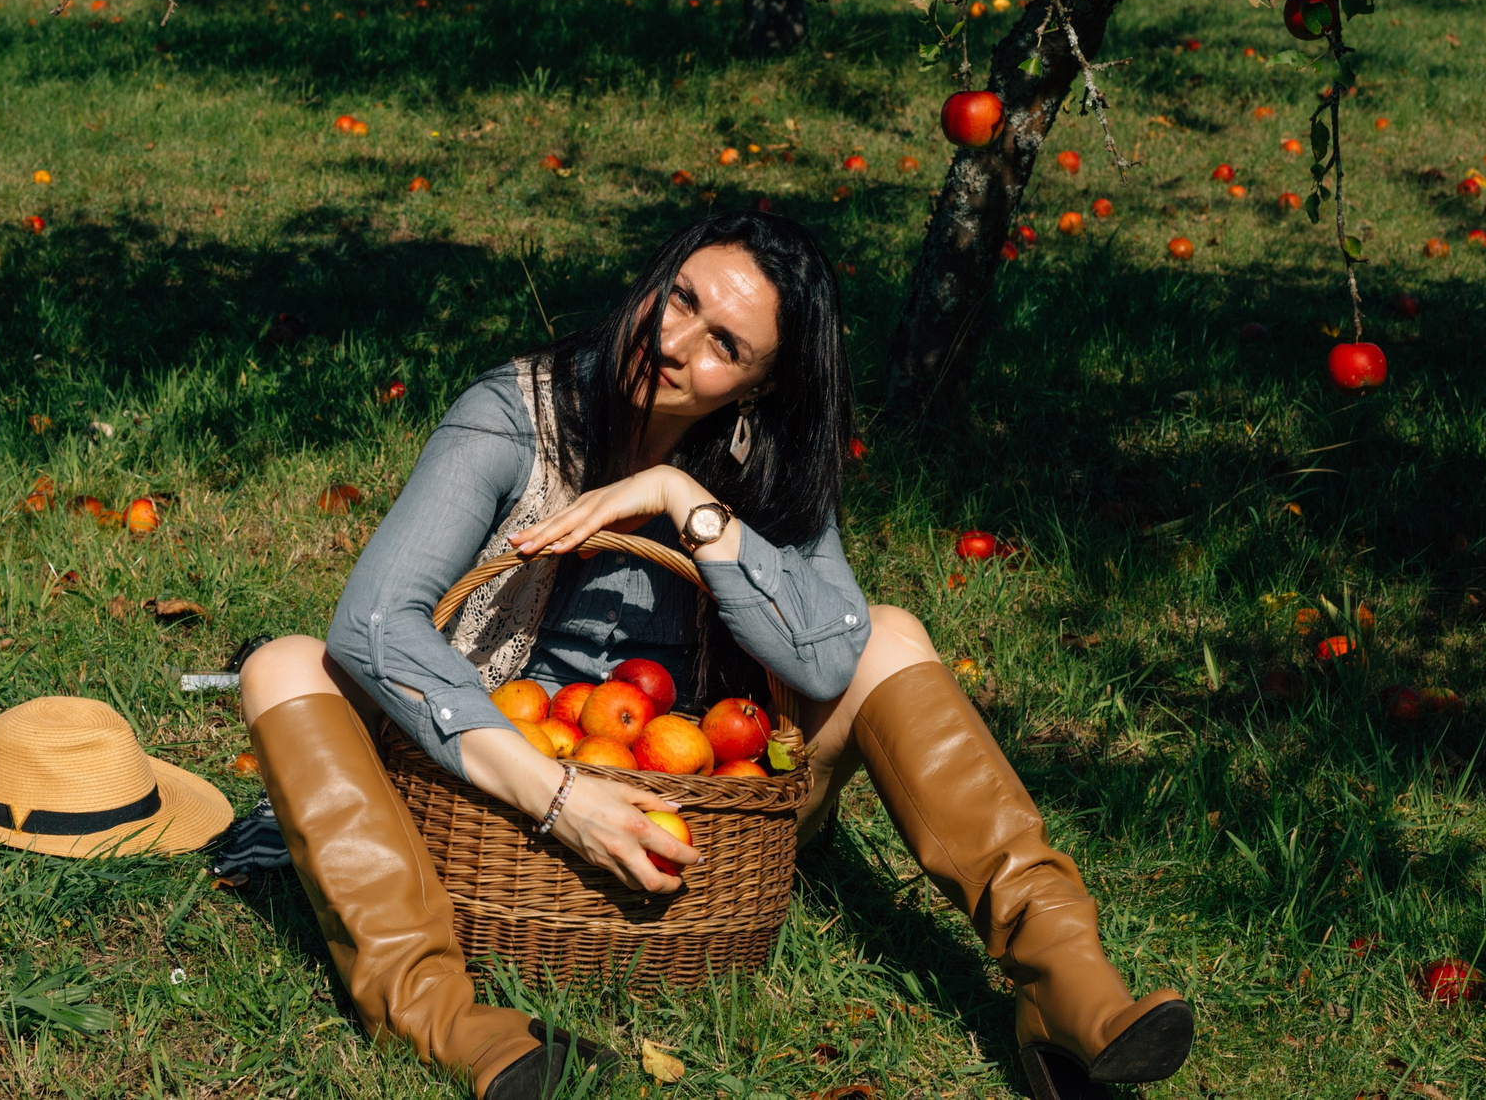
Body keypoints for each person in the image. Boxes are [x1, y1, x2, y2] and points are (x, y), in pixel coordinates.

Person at [238, 212, 1194, 1100]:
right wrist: (556, 793)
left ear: (762, 382)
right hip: (498, 785)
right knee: (285, 663)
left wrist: (688, 504)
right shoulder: (517, 412)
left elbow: (828, 659)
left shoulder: (764, 460)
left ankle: (1066, 982)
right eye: (682, 297)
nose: (675, 341)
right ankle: (448, 1019)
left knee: (890, 633)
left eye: (725, 346)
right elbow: (373, 622)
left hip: (705, 799)